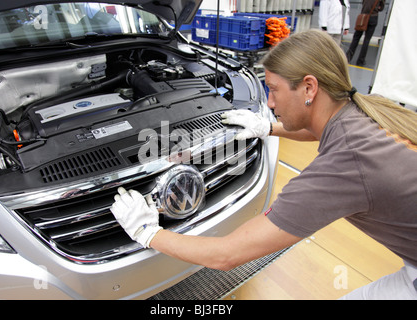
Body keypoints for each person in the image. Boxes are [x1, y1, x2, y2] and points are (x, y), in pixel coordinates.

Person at [111, 30, 417, 299]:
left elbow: (226, 255)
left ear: (309, 88)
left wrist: (147, 232)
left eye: (273, 89)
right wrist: (269, 127)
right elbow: (322, 130)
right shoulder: (365, 111)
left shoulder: (341, 169)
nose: (269, 102)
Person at [346, 0, 385, 66]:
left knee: (356, 38)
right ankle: (360, 61)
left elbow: (363, 2)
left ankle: (348, 58)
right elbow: (381, 8)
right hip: (373, 17)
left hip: (363, 16)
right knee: (366, 40)